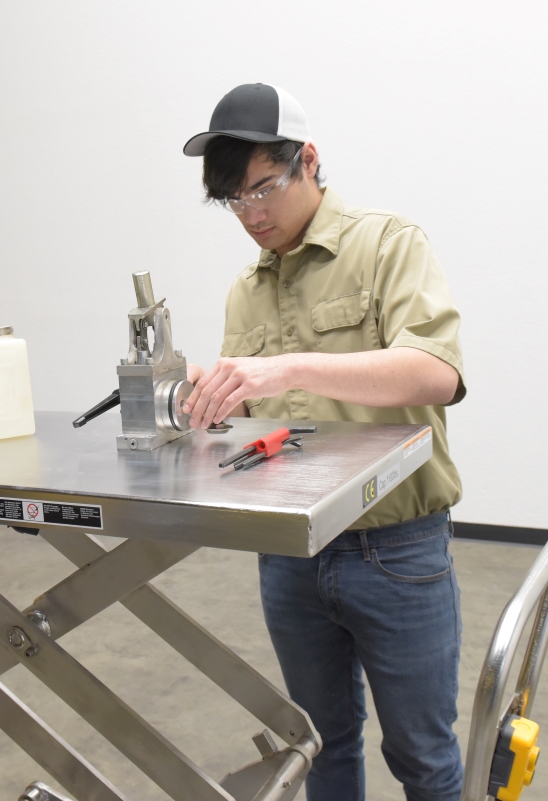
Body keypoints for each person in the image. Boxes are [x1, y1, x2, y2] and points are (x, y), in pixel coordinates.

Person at [181, 83, 468, 801]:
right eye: (234, 201)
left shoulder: (387, 244)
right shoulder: (246, 290)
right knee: (318, 746)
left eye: (264, 188)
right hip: (291, 555)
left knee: (423, 756)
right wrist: (203, 402)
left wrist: (288, 366)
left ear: (308, 160)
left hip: (395, 549)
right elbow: (250, 420)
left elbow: (435, 373)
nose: (252, 215)